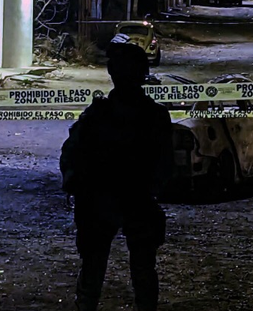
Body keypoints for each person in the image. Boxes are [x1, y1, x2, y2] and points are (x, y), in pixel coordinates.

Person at [60, 42, 173, 311]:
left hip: (103, 200)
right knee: (142, 271)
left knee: (94, 270)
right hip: (134, 199)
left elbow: (71, 155)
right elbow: (166, 164)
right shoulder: (155, 115)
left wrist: (77, 186)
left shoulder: (97, 115)